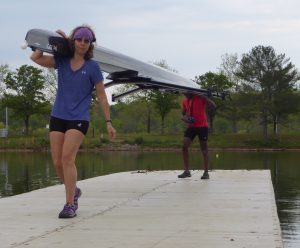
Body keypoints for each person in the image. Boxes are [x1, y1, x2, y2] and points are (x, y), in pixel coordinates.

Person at [30, 25, 116, 218]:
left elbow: (102, 97)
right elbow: (36, 58)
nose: (83, 43)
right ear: (73, 40)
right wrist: (49, 42)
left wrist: (108, 122)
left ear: (90, 44)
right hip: (58, 116)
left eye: (87, 41)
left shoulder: (93, 67)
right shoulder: (61, 60)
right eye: (79, 39)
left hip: (78, 118)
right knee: (57, 162)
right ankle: (74, 190)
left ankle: (70, 204)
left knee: (68, 159)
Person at [178, 93, 216, 179]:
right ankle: (187, 171)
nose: (186, 95)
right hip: (191, 127)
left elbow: (213, 106)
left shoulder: (200, 98)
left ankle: (206, 172)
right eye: (184, 94)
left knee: (204, 149)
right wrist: (184, 118)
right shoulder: (185, 102)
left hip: (202, 126)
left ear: (192, 92)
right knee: (184, 146)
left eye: (187, 93)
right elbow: (183, 113)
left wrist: (205, 98)